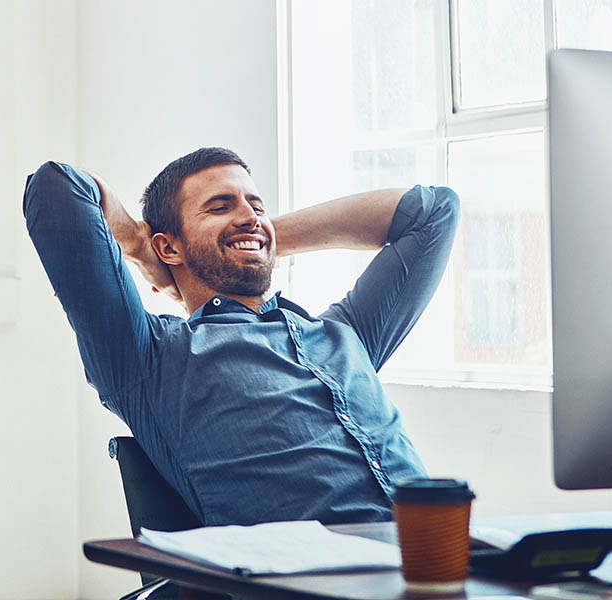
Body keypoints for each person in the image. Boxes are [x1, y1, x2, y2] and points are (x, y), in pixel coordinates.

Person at [24, 147, 459, 526]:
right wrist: (139, 243)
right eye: (219, 206)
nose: (249, 215)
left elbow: (435, 211)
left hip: (446, 561)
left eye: (256, 205)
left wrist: (257, 237)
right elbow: (57, 188)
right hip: (319, 582)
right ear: (168, 247)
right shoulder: (149, 357)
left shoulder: (342, 335)